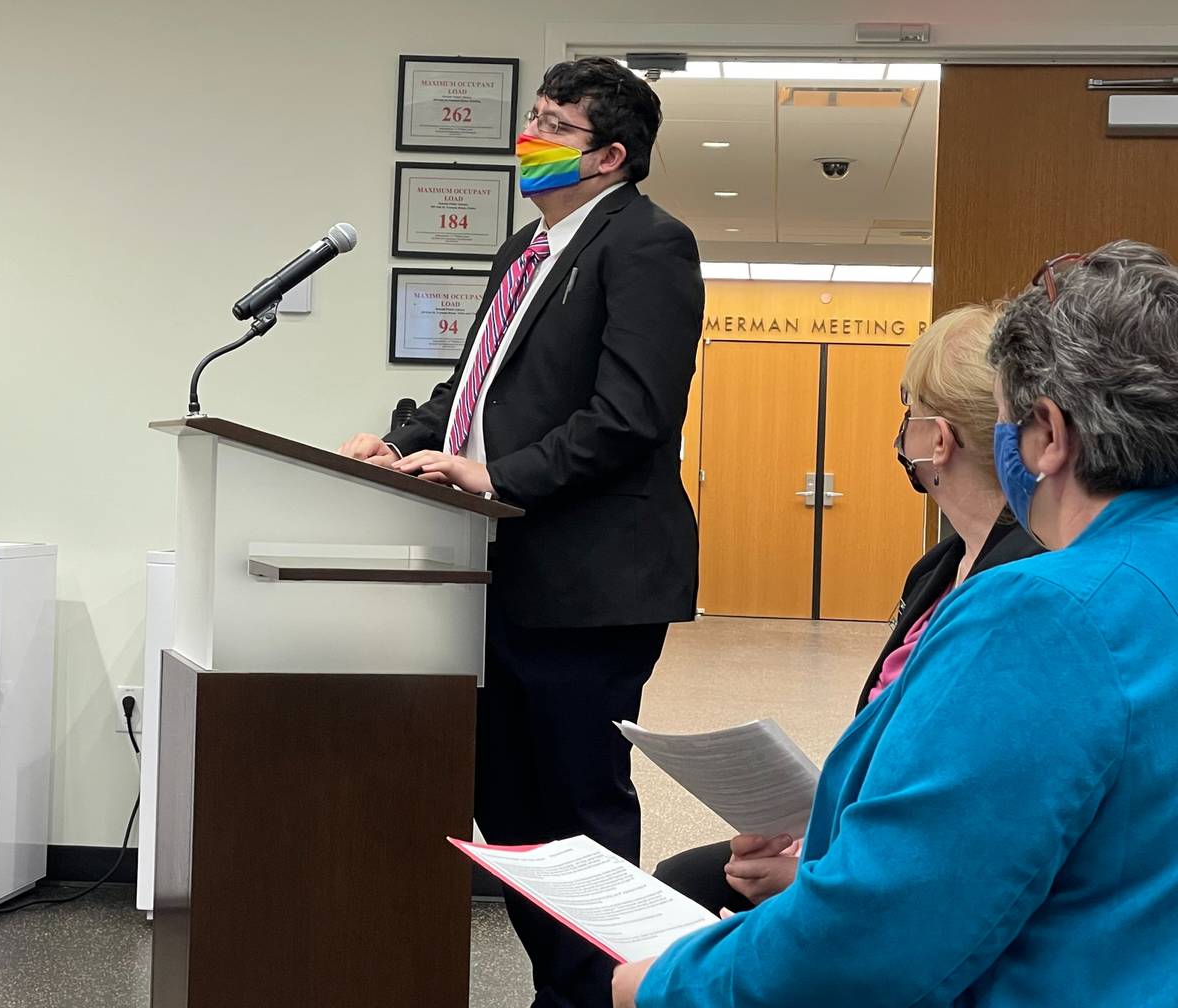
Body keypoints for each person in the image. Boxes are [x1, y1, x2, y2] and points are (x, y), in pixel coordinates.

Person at [615, 238, 1178, 1007]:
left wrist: (668, 985)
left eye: (1010, 421)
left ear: (1047, 434)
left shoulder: (1044, 612)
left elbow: (880, 937)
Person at [340, 56, 702, 1008]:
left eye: (553, 126)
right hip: (502, 570)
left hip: (592, 581)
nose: (528, 141)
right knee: (507, 803)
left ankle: (596, 995)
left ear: (612, 156)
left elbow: (632, 415)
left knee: (578, 805)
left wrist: (499, 476)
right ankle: (565, 988)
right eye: (530, 120)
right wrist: (398, 439)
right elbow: (473, 389)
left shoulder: (648, 245)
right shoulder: (526, 250)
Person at [652, 304, 1042, 914]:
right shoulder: (940, 566)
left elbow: (962, 800)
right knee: (686, 876)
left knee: (685, 897)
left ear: (936, 440)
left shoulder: (1020, 583)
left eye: (909, 412)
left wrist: (819, 874)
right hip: (868, 830)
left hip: (917, 869)